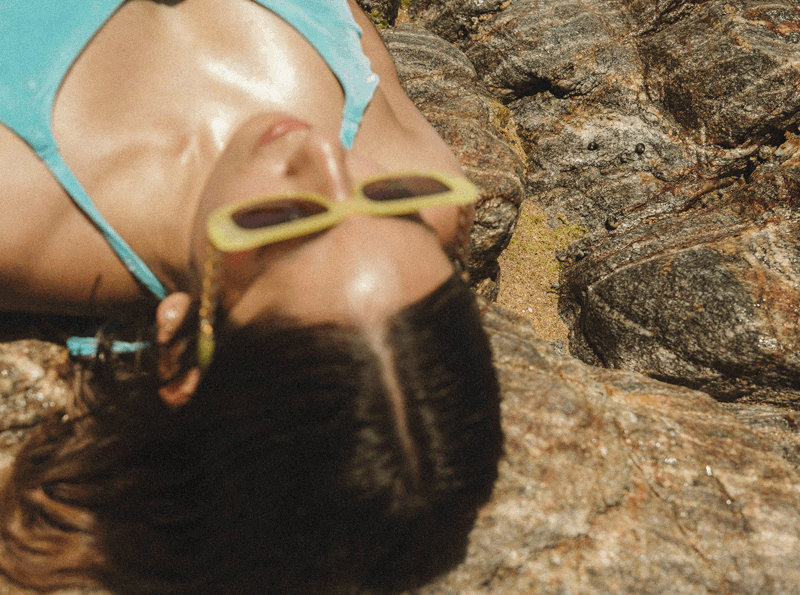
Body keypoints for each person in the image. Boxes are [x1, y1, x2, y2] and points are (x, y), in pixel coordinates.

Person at [0, 1, 504, 594]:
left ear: (179, 342)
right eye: (387, 196)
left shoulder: (16, 206)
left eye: (283, 219)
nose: (322, 154)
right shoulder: (436, 195)